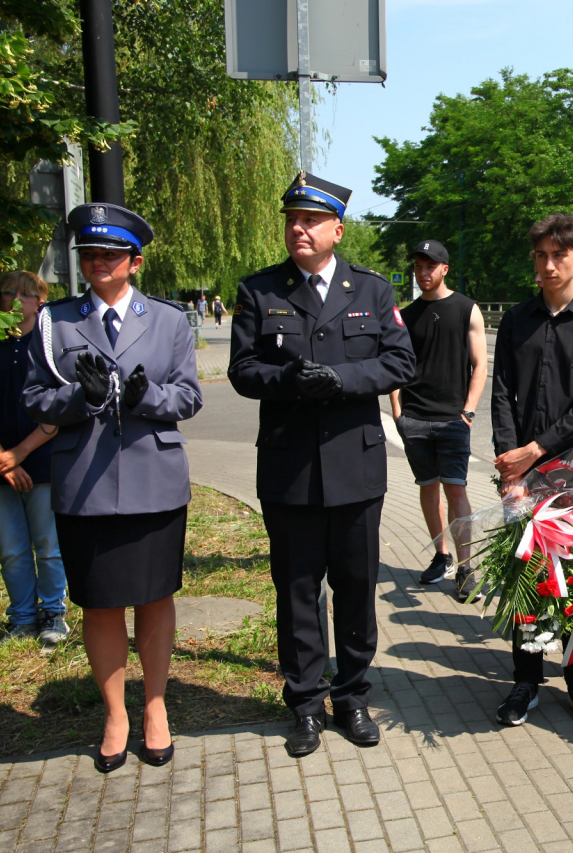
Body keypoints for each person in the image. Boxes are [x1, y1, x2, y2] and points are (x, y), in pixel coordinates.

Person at [228, 172, 416, 758]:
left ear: (338, 228)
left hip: (355, 468)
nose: (299, 229)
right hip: (290, 472)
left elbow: (399, 362)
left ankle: (353, 695)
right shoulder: (260, 291)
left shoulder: (372, 291)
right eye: (292, 220)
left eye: (311, 220)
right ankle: (305, 704)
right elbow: (240, 370)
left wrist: (341, 379)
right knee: (298, 590)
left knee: (357, 588)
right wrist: (285, 379)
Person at [24, 203, 202, 773]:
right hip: (85, 485)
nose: (98, 263)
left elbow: (189, 397)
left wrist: (144, 396)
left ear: (135, 262)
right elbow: (33, 398)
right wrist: (81, 398)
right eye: (89, 255)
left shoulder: (171, 321)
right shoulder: (56, 322)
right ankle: (115, 714)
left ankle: (154, 707)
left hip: (153, 481)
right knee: (100, 604)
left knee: (154, 597)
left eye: (110, 255)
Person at [490, 213, 573, 727]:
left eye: (558, 256)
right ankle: (525, 681)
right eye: (540, 256)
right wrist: (510, 464)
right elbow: (501, 393)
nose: (548, 265)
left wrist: (533, 450)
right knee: (525, 577)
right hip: (520, 477)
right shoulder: (517, 319)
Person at [387, 239, 487, 601]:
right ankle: (440, 556)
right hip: (414, 418)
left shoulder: (466, 309)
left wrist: (468, 411)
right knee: (427, 487)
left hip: (452, 420)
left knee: (455, 488)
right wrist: (398, 411)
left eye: (429, 266)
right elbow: (395, 367)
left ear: (444, 269)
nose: (423, 272)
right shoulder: (406, 315)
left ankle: (465, 568)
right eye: (418, 265)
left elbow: (480, 365)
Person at [0, 271, 66, 646]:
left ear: (40, 301)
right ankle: (22, 617)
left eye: (26, 294)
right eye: (9, 293)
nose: (17, 300)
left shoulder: (47, 347)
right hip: (3, 467)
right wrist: (4, 460)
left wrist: (19, 454)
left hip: (41, 461)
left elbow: (57, 411)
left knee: (48, 545)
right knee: (10, 548)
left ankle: (53, 613)